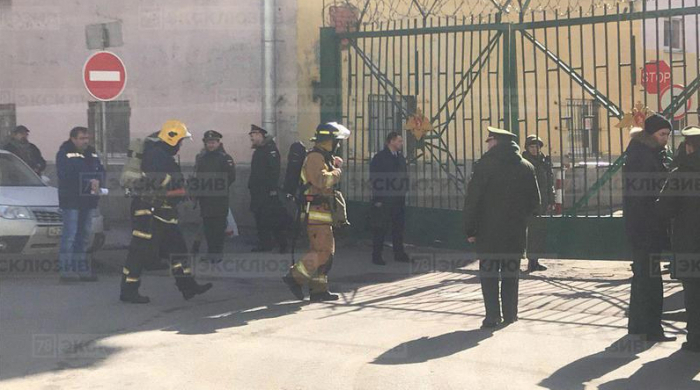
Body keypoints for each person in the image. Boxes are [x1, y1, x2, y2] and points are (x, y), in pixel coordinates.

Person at [120, 120, 213, 304]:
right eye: (180, 141)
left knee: (178, 248)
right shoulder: (156, 156)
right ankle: (128, 290)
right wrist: (179, 191)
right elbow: (151, 187)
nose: (180, 145)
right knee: (139, 251)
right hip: (147, 210)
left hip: (163, 211)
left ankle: (188, 287)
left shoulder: (162, 155)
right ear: (173, 140)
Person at [463, 127, 540, 328]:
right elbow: (535, 202)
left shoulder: (484, 166)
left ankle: (492, 316)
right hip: (515, 232)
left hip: (488, 232)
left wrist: (470, 230)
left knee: (489, 276)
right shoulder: (526, 167)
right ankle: (510, 314)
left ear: (495, 142)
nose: (487, 144)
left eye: (489, 140)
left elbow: (472, 200)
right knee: (510, 274)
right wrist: (519, 216)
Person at [622, 113, 676, 342]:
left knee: (643, 276)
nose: (665, 138)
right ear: (651, 134)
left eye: (667, 135)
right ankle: (651, 329)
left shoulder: (643, 152)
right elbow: (645, 195)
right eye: (662, 134)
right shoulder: (645, 157)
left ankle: (638, 326)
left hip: (640, 225)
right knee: (650, 278)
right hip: (647, 226)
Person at [282, 122, 350, 302]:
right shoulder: (314, 157)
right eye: (337, 141)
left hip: (323, 213)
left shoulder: (323, 157)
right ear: (329, 141)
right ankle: (295, 276)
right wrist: (336, 172)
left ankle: (319, 290)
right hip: (316, 213)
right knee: (322, 252)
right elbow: (320, 180)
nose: (338, 144)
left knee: (325, 252)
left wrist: (332, 163)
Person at [657, 125, 700, 352]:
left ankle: (695, 339)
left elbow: (664, 209)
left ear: (689, 147)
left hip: (689, 244)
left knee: (693, 292)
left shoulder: (679, 174)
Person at [56, 127, 104, 282]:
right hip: (71, 200)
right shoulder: (64, 154)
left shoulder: (92, 153)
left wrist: (98, 181)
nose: (85, 141)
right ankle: (66, 270)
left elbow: (101, 170)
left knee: (83, 236)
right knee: (70, 236)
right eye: (82, 138)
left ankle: (80, 269)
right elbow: (67, 175)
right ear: (73, 138)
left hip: (88, 200)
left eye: (87, 138)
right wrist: (88, 181)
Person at [194, 130, 236, 263]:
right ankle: (210, 253)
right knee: (208, 228)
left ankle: (217, 253)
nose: (211, 145)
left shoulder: (225, 158)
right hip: (205, 199)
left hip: (219, 199)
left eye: (213, 142)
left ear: (218, 143)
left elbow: (231, 177)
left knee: (218, 228)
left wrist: (216, 187)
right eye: (208, 143)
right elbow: (198, 176)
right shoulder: (202, 158)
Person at [369, 131, 410, 265]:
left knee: (398, 227)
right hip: (385, 198)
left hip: (398, 198)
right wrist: (378, 199)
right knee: (380, 228)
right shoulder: (380, 157)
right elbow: (375, 178)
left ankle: (399, 253)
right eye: (399, 141)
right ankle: (377, 255)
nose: (401, 143)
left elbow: (404, 175)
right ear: (391, 141)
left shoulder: (400, 157)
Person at [248, 124, 287, 253]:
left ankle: (283, 245)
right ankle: (265, 244)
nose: (252, 138)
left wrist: (271, 189)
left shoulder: (270, 150)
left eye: (253, 135)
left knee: (273, 219)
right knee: (260, 219)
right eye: (251, 135)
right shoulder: (259, 150)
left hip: (267, 192)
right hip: (257, 192)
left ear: (260, 135)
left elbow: (274, 171)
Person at [522, 134, 555, 273]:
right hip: (528, 202)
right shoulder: (523, 162)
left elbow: (549, 182)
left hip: (543, 200)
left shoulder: (544, 161)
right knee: (528, 232)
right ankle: (527, 259)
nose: (534, 149)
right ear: (527, 148)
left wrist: (551, 200)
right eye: (531, 146)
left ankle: (534, 261)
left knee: (538, 231)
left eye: (537, 147)